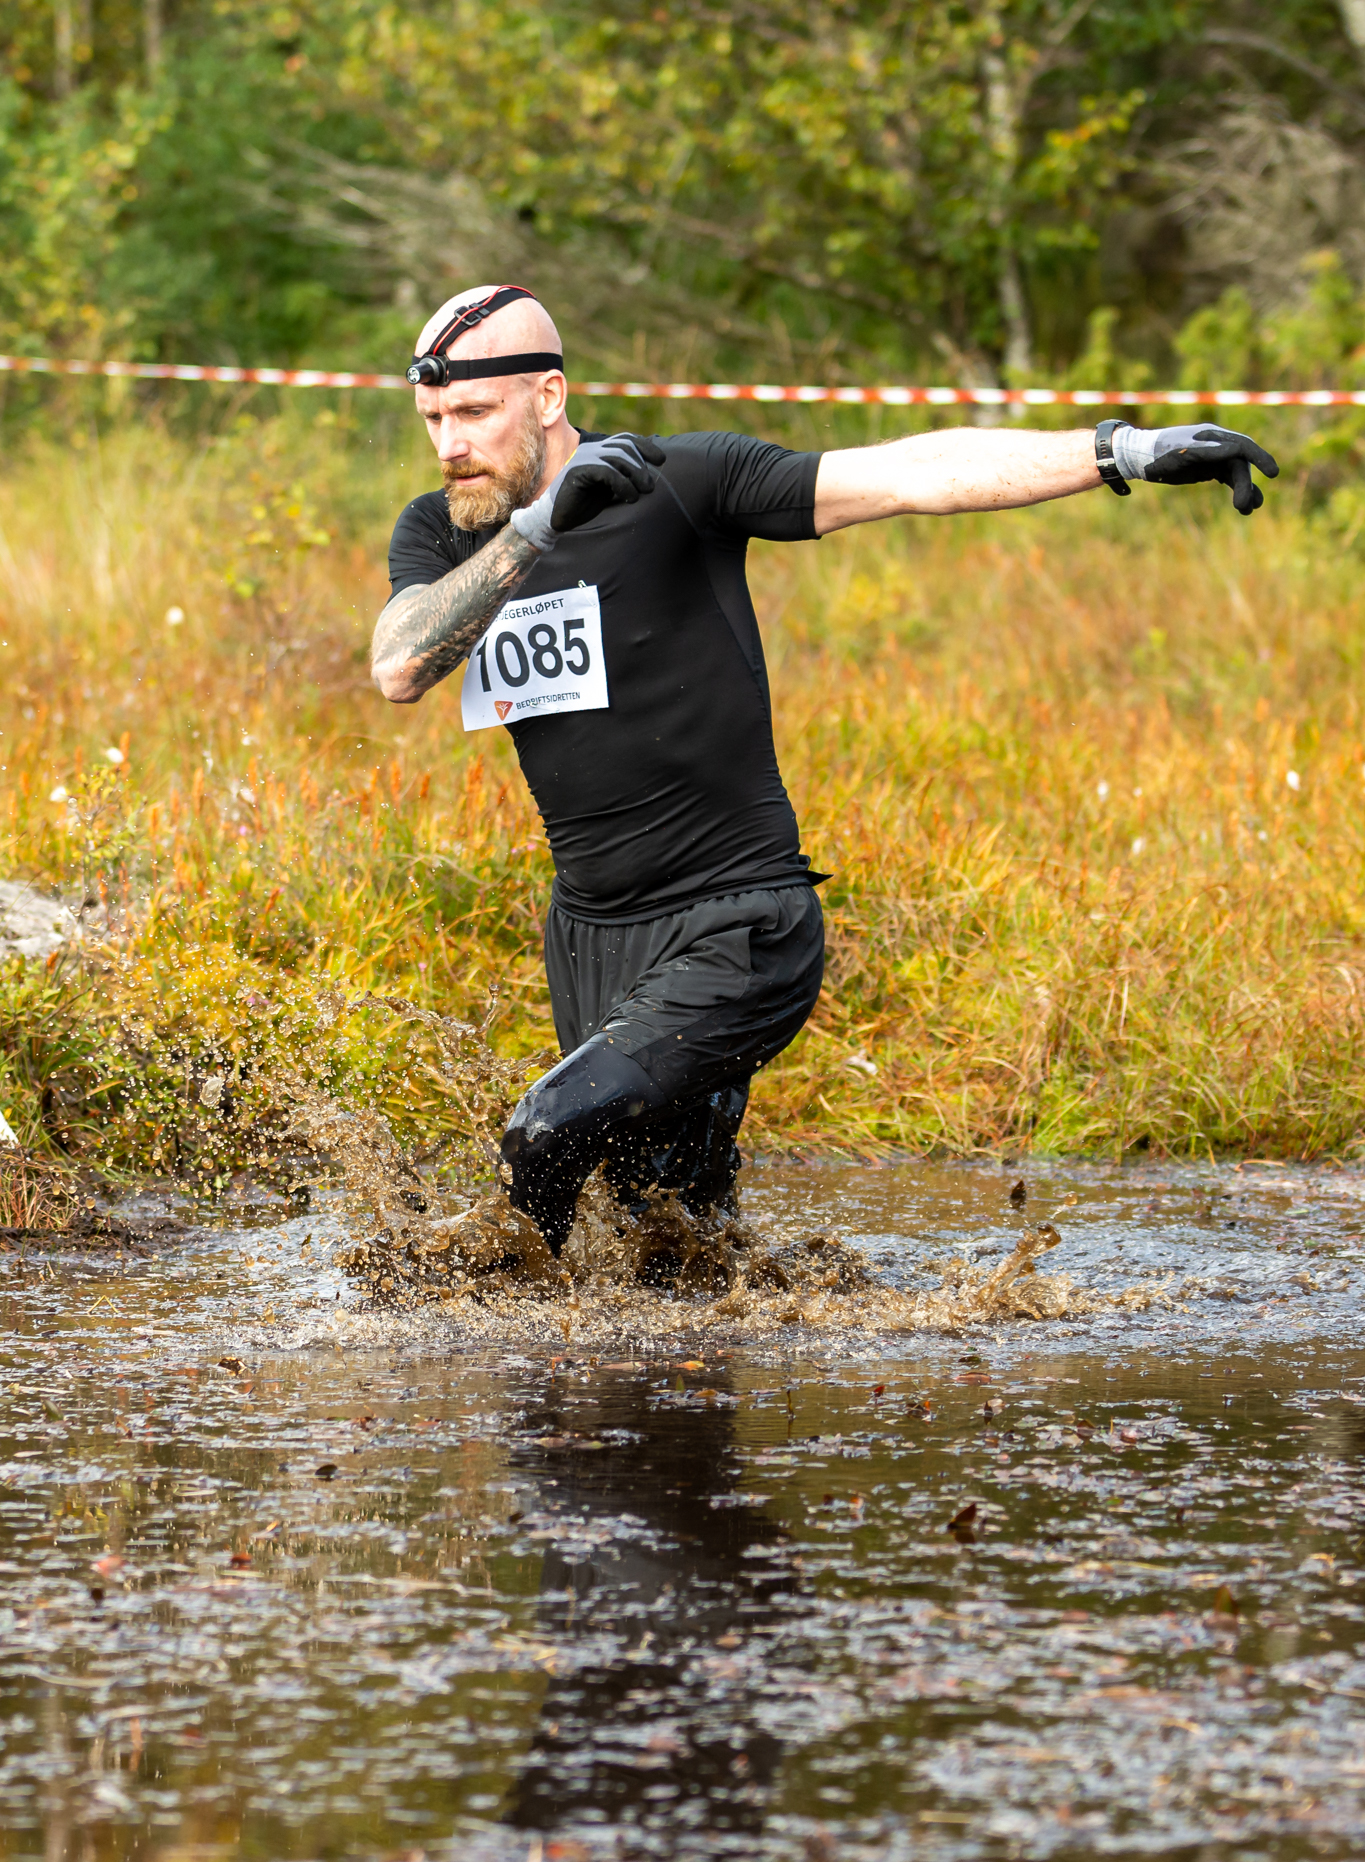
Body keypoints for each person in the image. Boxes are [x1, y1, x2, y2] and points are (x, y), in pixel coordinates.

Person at [372, 283, 1277, 1257]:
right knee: (661, 1233)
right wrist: (539, 526)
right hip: (591, 936)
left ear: (548, 397)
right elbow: (400, 666)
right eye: (432, 419)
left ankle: (487, 1339)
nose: (449, 444)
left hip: (737, 923)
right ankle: (744, 1333)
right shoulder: (444, 529)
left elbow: (910, 475)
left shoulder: (680, 482)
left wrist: (1120, 450)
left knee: (546, 1129)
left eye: (474, 413)